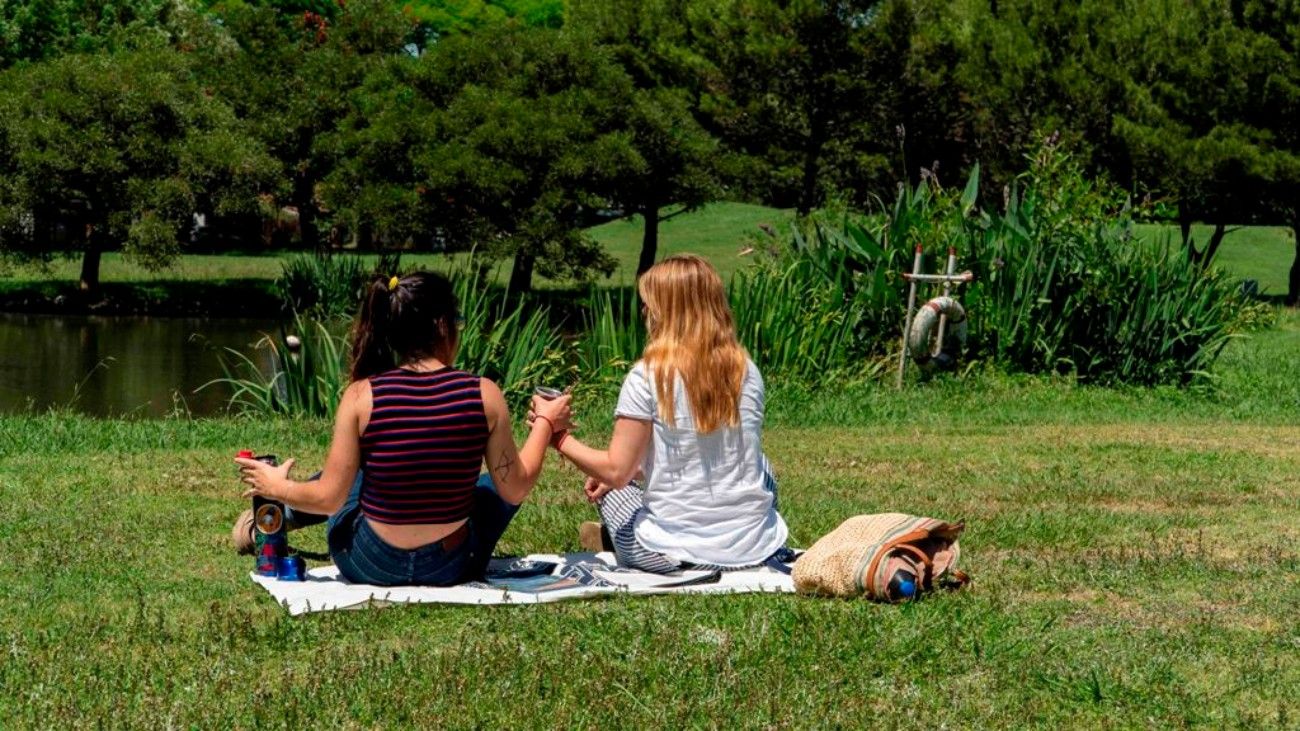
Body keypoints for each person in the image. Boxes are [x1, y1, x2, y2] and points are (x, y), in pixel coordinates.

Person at [231, 272, 572, 586]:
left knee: (358, 472)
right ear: (442, 325)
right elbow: (514, 489)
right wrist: (545, 421)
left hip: (368, 562)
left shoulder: (361, 395)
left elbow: (331, 497)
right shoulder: (485, 393)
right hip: (450, 565)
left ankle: (283, 513)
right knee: (492, 488)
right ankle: (287, 513)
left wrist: (279, 486)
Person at [549, 254, 790, 573]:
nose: (644, 311)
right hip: (755, 549)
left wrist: (558, 436)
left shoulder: (647, 375)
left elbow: (616, 471)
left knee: (613, 491)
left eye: (648, 303)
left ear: (668, 311)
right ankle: (618, 538)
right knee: (761, 464)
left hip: (670, 555)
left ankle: (618, 541)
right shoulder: (748, 371)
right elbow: (692, 454)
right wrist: (632, 470)